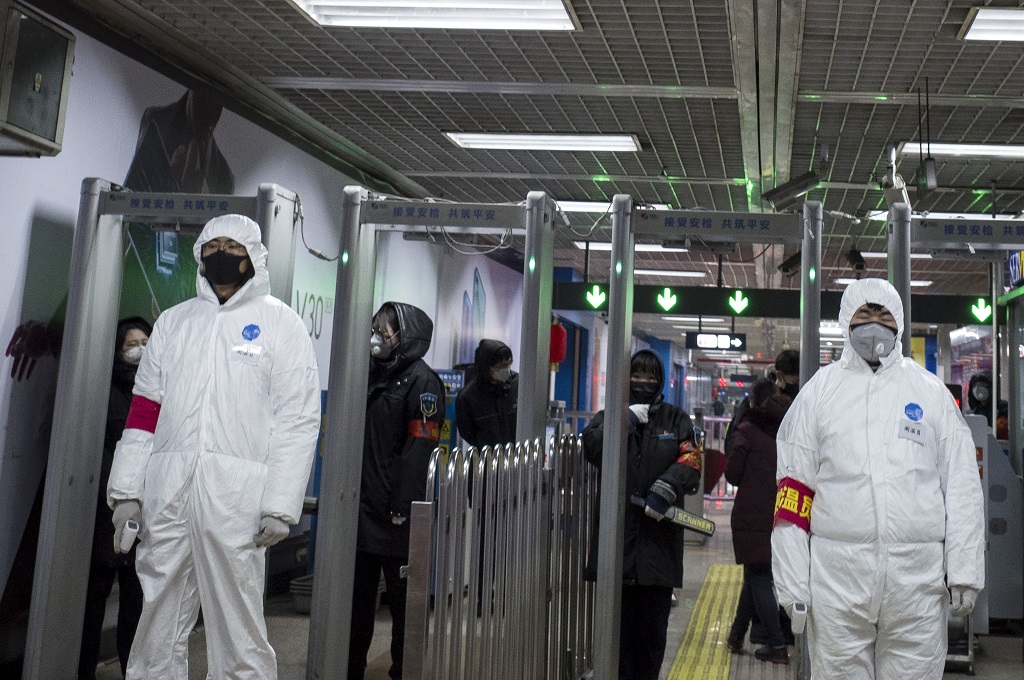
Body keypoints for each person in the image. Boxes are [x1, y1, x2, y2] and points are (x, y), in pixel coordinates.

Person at [106, 214, 321, 679]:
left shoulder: (280, 325)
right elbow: (144, 412)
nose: (222, 254)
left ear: (253, 257)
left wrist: (280, 505)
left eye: (233, 246)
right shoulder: (175, 324)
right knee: (155, 622)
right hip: (168, 493)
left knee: (237, 626)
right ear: (200, 253)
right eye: (213, 245)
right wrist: (126, 492)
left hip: (236, 499)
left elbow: (298, 420)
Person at [772, 278, 985, 679]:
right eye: (864, 314)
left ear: (900, 320)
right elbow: (793, 494)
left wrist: (964, 569)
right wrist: (792, 584)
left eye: (884, 313)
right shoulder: (820, 394)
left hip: (917, 584)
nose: (874, 323)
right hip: (838, 581)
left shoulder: (929, 393)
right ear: (845, 321)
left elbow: (960, 485)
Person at [582, 350, 702, 680]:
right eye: (637, 376)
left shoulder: (676, 420)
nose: (644, 383)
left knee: (651, 639)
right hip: (616, 546)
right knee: (616, 639)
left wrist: (666, 487)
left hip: (658, 549)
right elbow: (591, 448)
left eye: (651, 378)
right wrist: (625, 421)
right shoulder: (610, 417)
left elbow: (692, 461)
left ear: (660, 381)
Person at [350, 302, 444, 680]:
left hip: (397, 512)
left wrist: (404, 501)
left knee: (404, 602)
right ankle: (349, 667)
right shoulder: (370, 373)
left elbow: (420, 447)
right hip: (361, 507)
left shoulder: (424, 383)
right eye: (375, 328)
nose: (377, 336)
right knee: (356, 601)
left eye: (384, 330)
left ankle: (405, 670)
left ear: (405, 336)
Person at [78, 318, 151, 679]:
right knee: (94, 602)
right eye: (131, 344)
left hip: (147, 513)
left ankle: (131, 670)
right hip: (105, 511)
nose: (139, 349)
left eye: (145, 341)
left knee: (136, 604)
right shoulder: (105, 391)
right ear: (118, 351)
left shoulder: (159, 391)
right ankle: (83, 670)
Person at [724, 378, 792, 665]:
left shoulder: (749, 430)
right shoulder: (789, 427)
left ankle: (777, 645)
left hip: (753, 512)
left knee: (759, 577)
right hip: (782, 511)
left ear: (753, 403)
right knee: (755, 573)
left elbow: (732, 475)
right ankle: (736, 636)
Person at [723, 349, 799, 459]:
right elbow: (735, 439)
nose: (798, 387)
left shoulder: (797, 399)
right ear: (780, 376)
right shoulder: (761, 394)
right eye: (795, 382)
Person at [455, 339, 518, 448]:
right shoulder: (468, 397)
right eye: (500, 367)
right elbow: (467, 433)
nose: (506, 371)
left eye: (508, 365)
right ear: (486, 367)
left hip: (517, 458)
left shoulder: (517, 385)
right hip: (486, 460)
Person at [967, 370, 1008, 438]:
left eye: (983, 385)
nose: (978, 388)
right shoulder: (972, 413)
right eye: (975, 385)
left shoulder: (1003, 408)